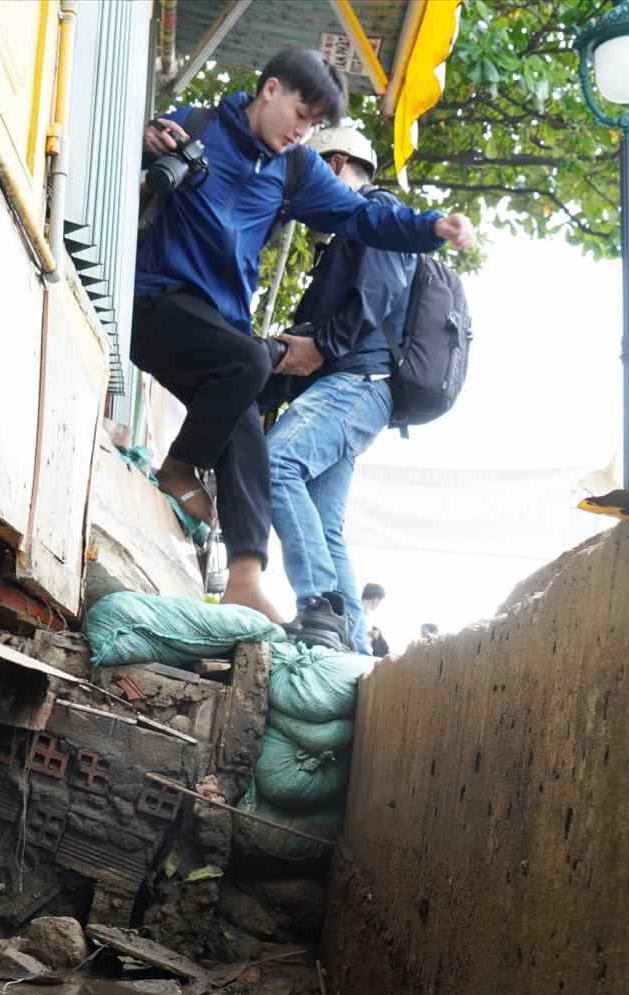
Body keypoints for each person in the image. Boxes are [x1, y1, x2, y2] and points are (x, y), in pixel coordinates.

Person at [132, 48, 474, 622]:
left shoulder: (296, 170)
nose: (302, 130)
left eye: (315, 124)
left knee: (247, 421)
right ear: (269, 90)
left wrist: (430, 227)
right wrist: (145, 139)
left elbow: (362, 216)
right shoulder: (195, 125)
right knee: (251, 364)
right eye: (300, 112)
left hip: (219, 329)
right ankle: (179, 466)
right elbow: (129, 154)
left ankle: (245, 576)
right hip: (156, 303)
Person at [264, 130, 413, 653]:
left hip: (355, 384)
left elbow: (377, 295)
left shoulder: (378, 215)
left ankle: (320, 607)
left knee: (275, 464)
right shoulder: (355, 228)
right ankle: (348, 655)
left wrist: (323, 346)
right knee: (326, 527)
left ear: (334, 162)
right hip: (353, 390)